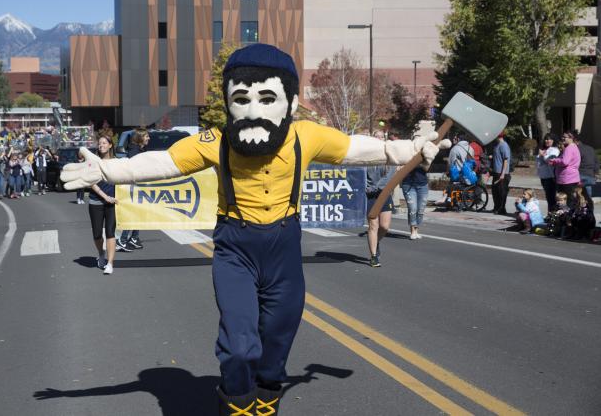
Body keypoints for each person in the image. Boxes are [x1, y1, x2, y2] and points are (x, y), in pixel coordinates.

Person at [60, 43, 448, 414]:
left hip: (284, 249)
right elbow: (164, 162)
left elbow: (357, 148)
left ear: (291, 104)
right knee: (239, 347)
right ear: (229, 102)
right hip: (235, 250)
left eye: (267, 99)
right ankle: (234, 404)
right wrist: (109, 170)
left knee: (278, 341)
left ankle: (265, 401)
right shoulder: (216, 141)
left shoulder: (305, 135)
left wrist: (405, 149)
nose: (253, 110)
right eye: (242, 100)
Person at [87, 134, 118, 275]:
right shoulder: (93, 162)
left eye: (104, 143)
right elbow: (91, 182)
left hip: (113, 203)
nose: (101, 145)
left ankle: (110, 263)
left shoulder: (117, 162)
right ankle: (101, 253)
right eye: (99, 143)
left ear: (110, 145)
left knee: (110, 232)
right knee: (97, 234)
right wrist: (106, 197)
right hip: (96, 201)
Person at [366, 130, 396, 266]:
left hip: (384, 194)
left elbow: (390, 175)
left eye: (381, 137)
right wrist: (367, 188)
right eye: (376, 136)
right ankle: (373, 256)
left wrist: (377, 187)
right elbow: (360, 174)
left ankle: (376, 242)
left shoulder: (389, 155)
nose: (378, 138)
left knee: (384, 227)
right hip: (370, 196)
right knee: (373, 225)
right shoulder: (366, 156)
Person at [118, 128, 150, 251]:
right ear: (141, 137)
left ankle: (134, 237)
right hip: (133, 187)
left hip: (140, 186)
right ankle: (123, 239)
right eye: (147, 136)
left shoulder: (141, 150)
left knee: (138, 213)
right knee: (133, 213)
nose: (149, 138)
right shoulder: (134, 151)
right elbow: (135, 169)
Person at [548, 131, 581, 199]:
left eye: (564, 137)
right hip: (570, 178)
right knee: (570, 199)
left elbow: (565, 162)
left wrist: (555, 161)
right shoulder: (574, 147)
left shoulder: (569, 148)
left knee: (566, 200)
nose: (562, 138)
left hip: (567, 180)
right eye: (562, 136)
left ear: (571, 138)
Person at [401, 164, 428, 240]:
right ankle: (412, 231)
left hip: (423, 185)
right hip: (408, 184)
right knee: (412, 208)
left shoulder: (424, 155)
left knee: (420, 209)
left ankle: (416, 230)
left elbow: (427, 168)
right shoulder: (407, 154)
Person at [536, 133, 560, 212]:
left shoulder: (555, 150)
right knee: (548, 197)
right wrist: (541, 155)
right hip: (543, 176)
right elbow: (539, 162)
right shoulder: (544, 149)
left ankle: (552, 215)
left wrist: (542, 155)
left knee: (551, 197)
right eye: (546, 139)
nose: (547, 141)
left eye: (549, 139)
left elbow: (550, 160)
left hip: (550, 176)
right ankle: (550, 214)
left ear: (553, 140)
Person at [491, 131, 511, 215]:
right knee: (495, 191)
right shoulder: (497, 145)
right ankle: (496, 207)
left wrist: (503, 174)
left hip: (502, 173)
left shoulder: (504, 145)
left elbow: (505, 160)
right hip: (496, 172)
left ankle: (501, 209)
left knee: (502, 192)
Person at [576, 132, 599, 202]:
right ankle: (589, 209)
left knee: (577, 195)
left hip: (580, 174)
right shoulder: (591, 149)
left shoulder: (576, 149)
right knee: (588, 195)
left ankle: (579, 209)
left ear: (576, 141)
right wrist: (595, 172)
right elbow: (597, 162)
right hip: (590, 175)